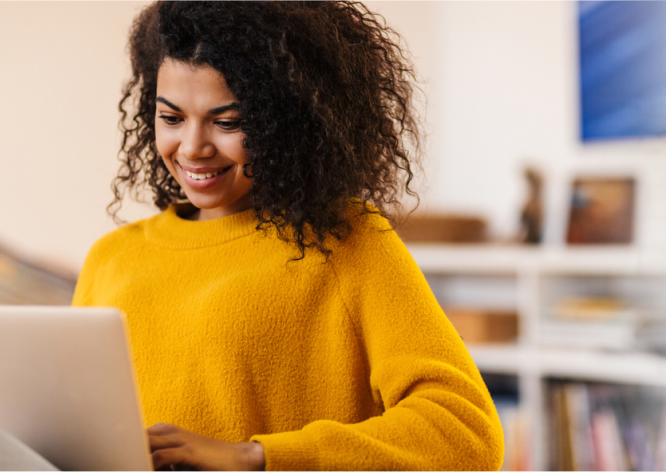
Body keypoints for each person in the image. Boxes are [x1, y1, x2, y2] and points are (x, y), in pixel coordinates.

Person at [68, 0, 503, 470]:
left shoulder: (346, 241)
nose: (192, 147)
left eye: (227, 122)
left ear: (288, 121)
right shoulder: (110, 258)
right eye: (171, 118)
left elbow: (466, 431)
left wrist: (255, 457)